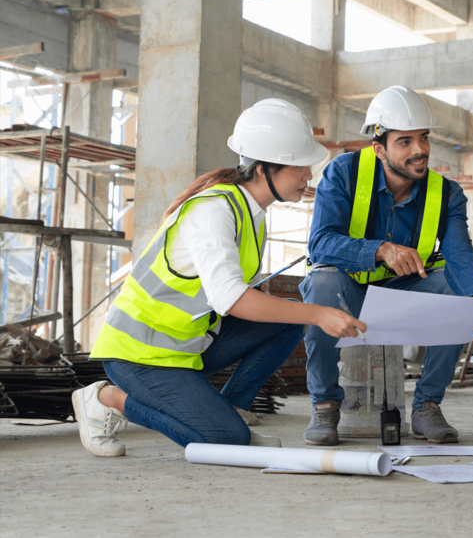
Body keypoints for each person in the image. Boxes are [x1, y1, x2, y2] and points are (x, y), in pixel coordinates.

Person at [72, 99, 366, 457]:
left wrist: (306, 313)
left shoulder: (251, 212)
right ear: (263, 168)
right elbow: (232, 298)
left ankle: (232, 413)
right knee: (224, 442)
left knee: (288, 320)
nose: (308, 176)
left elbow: (235, 298)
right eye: (300, 166)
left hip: (186, 346)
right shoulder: (214, 210)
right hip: (140, 354)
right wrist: (319, 313)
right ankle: (107, 399)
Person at [301, 85, 473, 445]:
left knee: (459, 289)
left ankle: (427, 406)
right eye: (404, 141)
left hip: (406, 296)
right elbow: (320, 243)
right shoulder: (343, 174)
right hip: (350, 295)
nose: (420, 150)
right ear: (379, 148)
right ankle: (325, 405)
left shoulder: (446, 193)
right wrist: (382, 249)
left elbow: (461, 255)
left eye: (423, 138)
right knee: (321, 281)